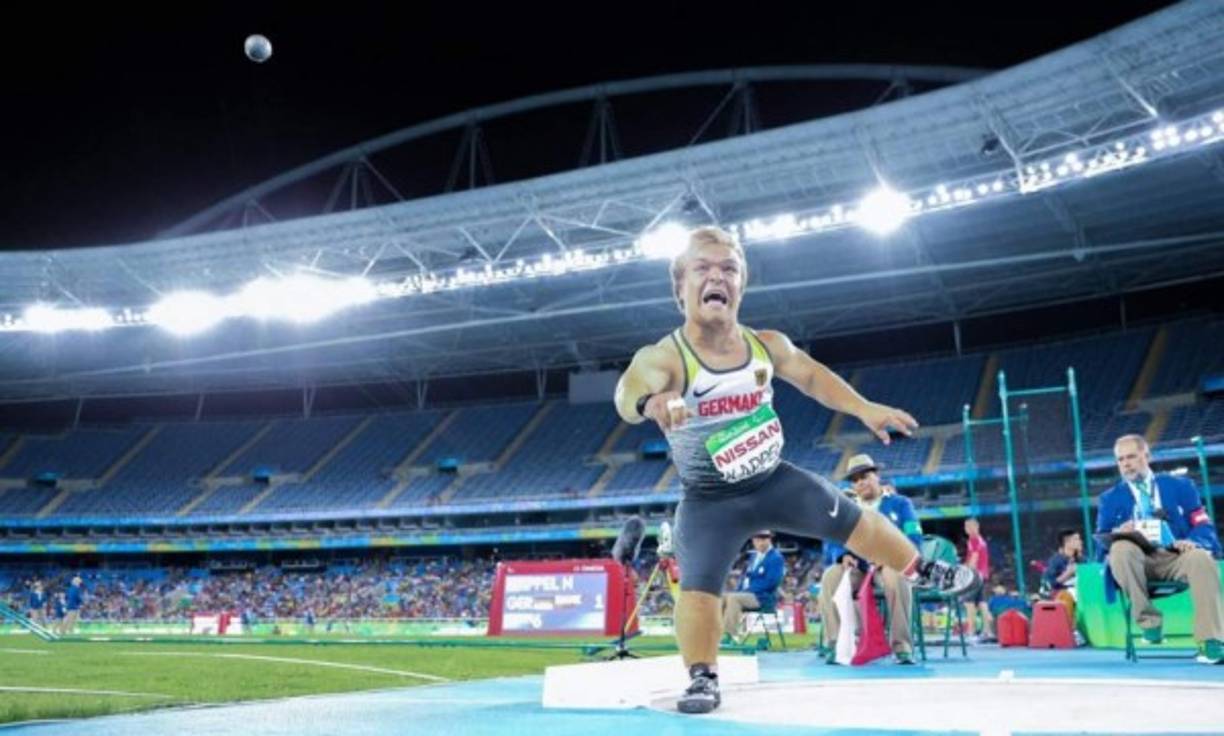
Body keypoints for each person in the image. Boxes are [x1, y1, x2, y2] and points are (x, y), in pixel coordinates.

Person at [613, 226, 979, 713]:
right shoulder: (667, 356)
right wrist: (652, 399)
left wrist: (864, 407)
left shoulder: (766, 345)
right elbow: (627, 393)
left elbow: (811, 376)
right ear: (680, 288)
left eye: (729, 268)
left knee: (855, 519)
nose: (716, 276)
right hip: (709, 500)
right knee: (699, 587)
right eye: (703, 268)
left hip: (772, 482)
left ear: (741, 285)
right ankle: (702, 677)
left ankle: (922, 567)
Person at [1096, 434, 1222, 664]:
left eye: (1131, 457)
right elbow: (1100, 543)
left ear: (1147, 456)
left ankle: (1211, 640)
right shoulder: (1109, 499)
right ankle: (1149, 622)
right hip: (1135, 563)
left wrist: (1194, 541)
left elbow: (1203, 524)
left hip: (1175, 556)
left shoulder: (1180, 486)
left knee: (1201, 558)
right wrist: (1118, 531)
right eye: (1120, 459)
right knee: (1121, 548)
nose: (1126, 464)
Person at [817, 455, 923, 664]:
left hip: (891, 564)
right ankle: (836, 643)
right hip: (859, 566)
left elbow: (913, 536)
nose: (860, 482)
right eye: (854, 480)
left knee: (896, 577)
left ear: (877, 476)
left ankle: (902, 646)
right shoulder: (846, 508)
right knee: (831, 577)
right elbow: (831, 539)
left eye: (864, 476)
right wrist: (842, 555)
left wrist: (894, 558)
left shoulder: (901, 504)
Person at [721, 530, 784, 641]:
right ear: (753, 541)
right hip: (748, 595)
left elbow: (772, 582)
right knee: (721, 597)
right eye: (757, 540)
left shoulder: (775, 558)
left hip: (763, 597)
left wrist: (748, 590)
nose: (760, 543)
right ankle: (716, 632)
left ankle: (730, 634)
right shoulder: (754, 557)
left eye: (763, 539)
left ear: (769, 540)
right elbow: (745, 577)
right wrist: (739, 590)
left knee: (733, 598)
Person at [1042, 529, 1083, 628]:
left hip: (1081, 592)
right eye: (1077, 539)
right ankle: (1070, 630)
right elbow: (1050, 583)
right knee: (1066, 597)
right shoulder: (1056, 560)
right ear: (1068, 543)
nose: (1081, 542)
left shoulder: (1083, 560)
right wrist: (1068, 573)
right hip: (1062, 594)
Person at [963, 518, 996, 642]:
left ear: (976, 527)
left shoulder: (974, 540)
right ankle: (987, 631)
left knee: (969, 604)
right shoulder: (980, 540)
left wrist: (967, 573)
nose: (967, 529)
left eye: (970, 526)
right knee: (982, 603)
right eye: (966, 527)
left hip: (975, 576)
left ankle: (971, 632)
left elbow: (974, 558)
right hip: (982, 575)